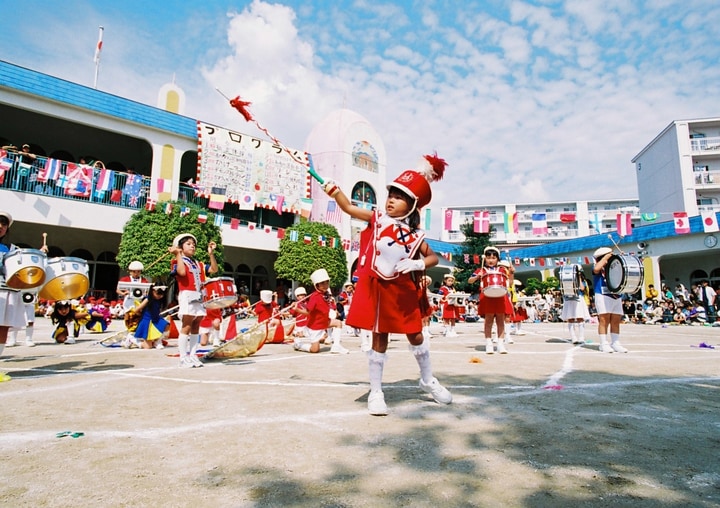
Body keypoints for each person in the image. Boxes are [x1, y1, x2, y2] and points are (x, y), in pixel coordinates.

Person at [324, 152, 452, 415]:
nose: (391, 200)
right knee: (379, 338)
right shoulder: (377, 219)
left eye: (398, 196)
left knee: (416, 336)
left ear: (413, 204)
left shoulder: (416, 235)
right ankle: (376, 391)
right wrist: (335, 191)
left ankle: (428, 380)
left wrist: (417, 264)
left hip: (403, 292)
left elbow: (433, 258)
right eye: (390, 194)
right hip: (380, 290)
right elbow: (348, 207)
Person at [169, 232, 218, 368]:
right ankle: (183, 357)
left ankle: (193, 355)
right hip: (187, 294)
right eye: (188, 244)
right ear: (180, 247)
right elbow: (182, 273)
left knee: (197, 325)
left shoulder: (198, 263)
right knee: (187, 325)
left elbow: (214, 269)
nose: (192, 247)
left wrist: (211, 253)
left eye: (193, 244)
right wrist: (177, 255)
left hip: (199, 294)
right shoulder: (176, 261)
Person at [468, 246, 514, 354]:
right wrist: (476, 277)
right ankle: (488, 343)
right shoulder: (481, 269)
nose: (491, 260)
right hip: (487, 297)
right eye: (488, 257)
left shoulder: (502, 270)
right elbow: (470, 281)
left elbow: (510, 284)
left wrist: (511, 274)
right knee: (488, 321)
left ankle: (500, 344)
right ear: (485, 259)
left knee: (500, 321)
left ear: (498, 259)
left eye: (494, 258)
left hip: (501, 296)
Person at [292, 269, 348, 354]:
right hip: (315, 325)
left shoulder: (325, 294)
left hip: (325, 321)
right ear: (316, 285)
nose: (325, 285)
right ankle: (299, 345)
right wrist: (297, 309)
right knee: (315, 350)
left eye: (327, 282)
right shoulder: (314, 297)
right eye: (322, 283)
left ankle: (336, 346)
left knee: (338, 323)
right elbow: (308, 312)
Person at [592, 247, 628, 353]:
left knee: (616, 320)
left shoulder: (614, 267)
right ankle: (603, 343)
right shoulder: (598, 266)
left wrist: (623, 257)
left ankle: (615, 343)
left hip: (616, 295)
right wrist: (607, 257)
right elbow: (596, 269)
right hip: (602, 294)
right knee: (604, 319)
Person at [133, 284, 170, 349]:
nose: (160, 296)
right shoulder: (147, 299)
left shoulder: (159, 300)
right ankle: (131, 340)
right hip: (147, 321)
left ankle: (157, 341)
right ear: (153, 291)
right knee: (147, 347)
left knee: (166, 325)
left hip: (156, 319)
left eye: (162, 294)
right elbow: (136, 310)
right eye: (158, 294)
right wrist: (141, 315)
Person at [560, 267, 591, 344]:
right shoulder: (566, 279)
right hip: (569, 298)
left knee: (580, 317)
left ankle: (581, 337)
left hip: (578, 298)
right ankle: (573, 337)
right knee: (570, 318)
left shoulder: (582, 280)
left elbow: (582, 288)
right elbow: (562, 289)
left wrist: (579, 277)